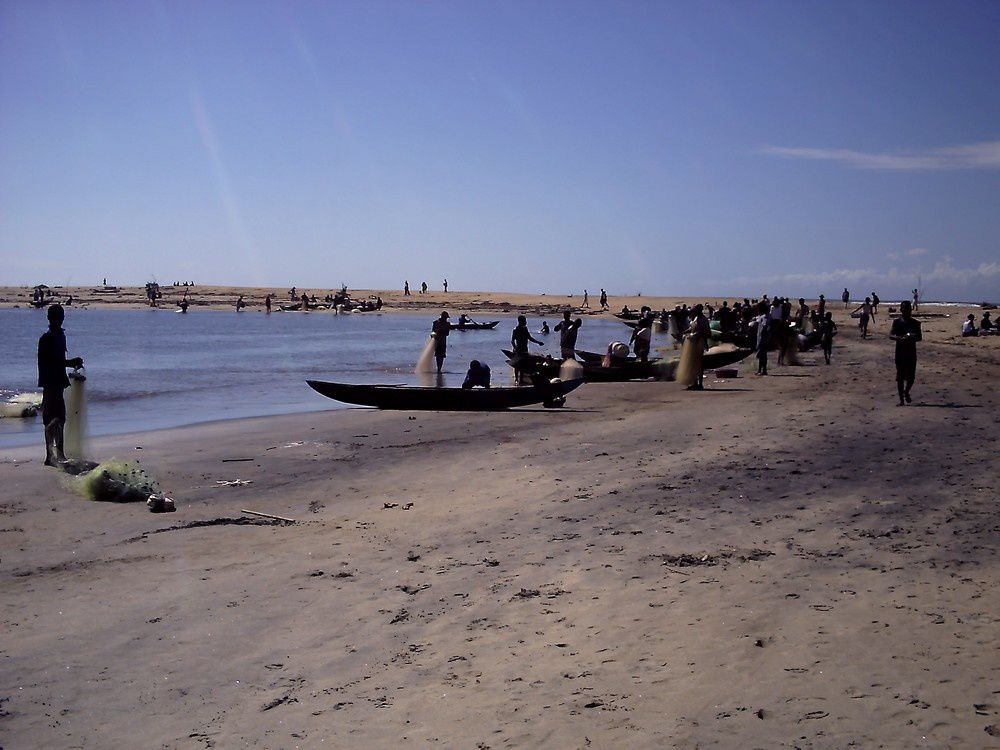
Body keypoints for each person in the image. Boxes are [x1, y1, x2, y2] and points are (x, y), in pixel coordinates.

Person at [37, 305, 84, 466]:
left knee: (60, 418)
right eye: (57, 317)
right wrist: (71, 363)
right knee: (50, 419)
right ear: (50, 319)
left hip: (58, 382)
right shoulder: (47, 338)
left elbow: (58, 361)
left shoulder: (59, 336)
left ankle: (59, 453)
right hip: (50, 383)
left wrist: (71, 365)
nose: (59, 319)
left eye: (61, 316)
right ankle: (50, 456)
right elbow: (52, 362)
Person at [890, 300, 922, 406]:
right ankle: (901, 400)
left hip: (911, 353)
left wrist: (912, 337)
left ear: (911, 310)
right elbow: (891, 335)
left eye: (908, 309)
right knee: (900, 377)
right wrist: (900, 338)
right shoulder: (897, 322)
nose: (906, 311)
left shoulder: (916, 323)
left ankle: (906, 391)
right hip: (900, 352)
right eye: (904, 309)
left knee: (911, 377)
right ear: (901, 310)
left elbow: (919, 338)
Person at [754, 303, 770, 375]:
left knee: (762, 355)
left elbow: (765, 326)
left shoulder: (766, 317)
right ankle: (761, 370)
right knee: (762, 355)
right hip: (760, 337)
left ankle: (762, 370)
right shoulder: (762, 317)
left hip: (763, 338)